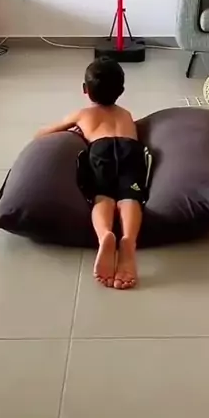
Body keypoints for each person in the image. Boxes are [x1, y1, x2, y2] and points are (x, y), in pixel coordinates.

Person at [35, 57, 151, 290]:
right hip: (130, 151)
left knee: (102, 196)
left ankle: (105, 235)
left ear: (85, 90)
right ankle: (128, 241)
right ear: (121, 91)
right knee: (131, 197)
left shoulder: (83, 114)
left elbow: (43, 134)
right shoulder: (126, 114)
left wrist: (75, 131)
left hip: (100, 151)